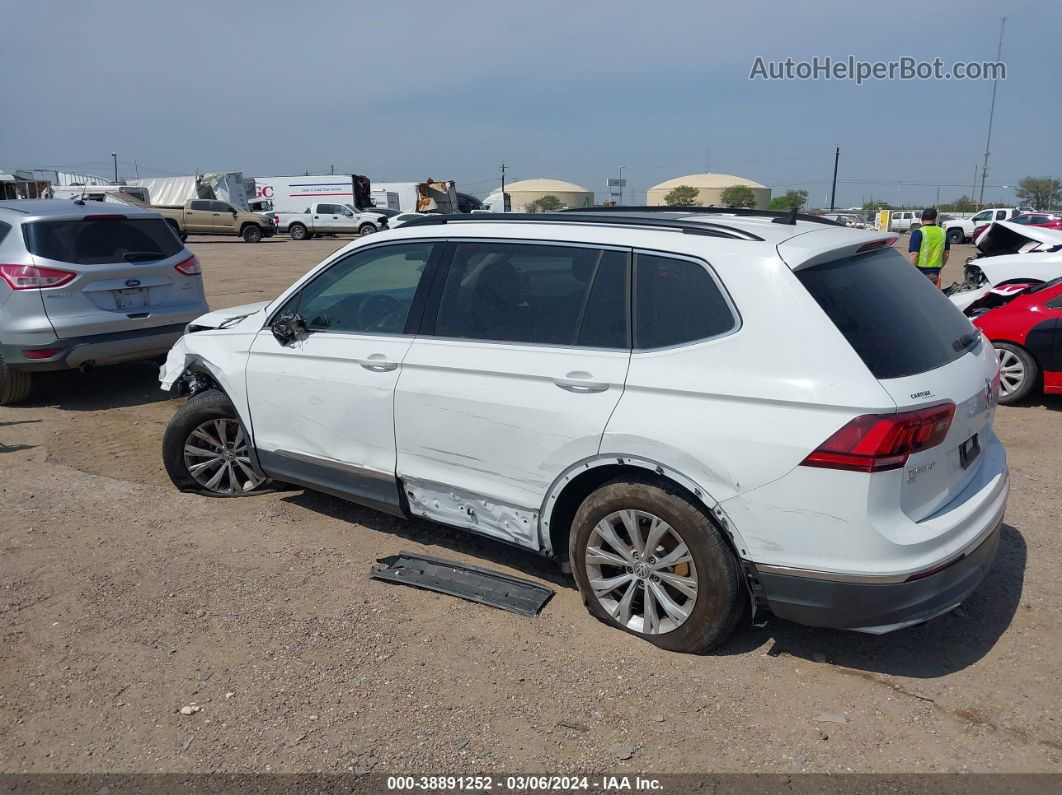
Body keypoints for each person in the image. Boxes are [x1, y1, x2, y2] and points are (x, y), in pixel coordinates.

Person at [908, 208, 949, 288]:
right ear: (935, 218)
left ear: (922, 218)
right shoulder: (943, 232)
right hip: (935, 272)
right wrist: (940, 266)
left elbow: (914, 255)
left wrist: (910, 271)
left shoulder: (918, 233)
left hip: (920, 271)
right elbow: (946, 254)